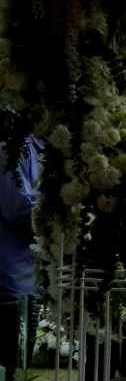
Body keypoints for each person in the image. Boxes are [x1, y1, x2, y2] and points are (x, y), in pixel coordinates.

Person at [1, 135, 41, 381]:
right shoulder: (12, 150)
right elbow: (16, 208)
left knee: (19, 365)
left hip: (30, 276)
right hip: (8, 278)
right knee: (7, 364)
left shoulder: (55, 152)